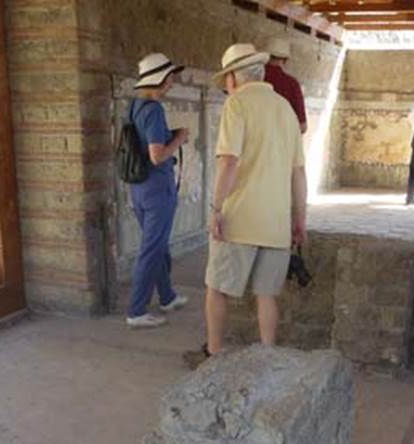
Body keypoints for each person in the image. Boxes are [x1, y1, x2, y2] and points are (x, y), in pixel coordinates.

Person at [195, 43, 306, 363]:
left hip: (239, 218)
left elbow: (229, 162)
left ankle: (213, 352)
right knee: (266, 294)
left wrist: (216, 210)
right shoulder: (285, 109)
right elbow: (298, 172)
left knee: (217, 287)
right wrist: (300, 218)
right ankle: (266, 357)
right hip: (275, 221)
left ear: (232, 77)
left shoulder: (238, 104)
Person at [125, 53, 189, 328]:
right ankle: (136, 311)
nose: (173, 81)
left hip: (139, 188)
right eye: (170, 76)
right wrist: (180, 139)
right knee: (152, 249)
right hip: (157, 189)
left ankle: (167, 296)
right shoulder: (153, 109)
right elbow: (157, 155)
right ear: (160, 78)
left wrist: (168, 134)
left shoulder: (135, 106)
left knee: (158, 245)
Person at [264, 37, 307, 134]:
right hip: (281, 145)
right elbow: (302, 126)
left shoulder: (255, 79)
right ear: (286, 60)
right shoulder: (292, 84)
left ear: (267, 56)